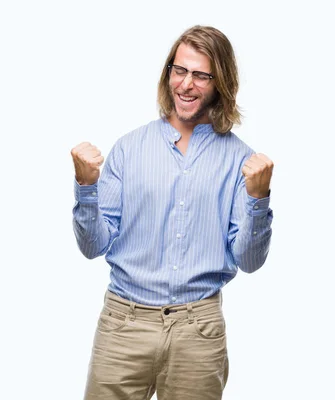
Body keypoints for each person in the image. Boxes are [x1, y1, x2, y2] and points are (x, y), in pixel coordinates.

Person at [71, 25, 274, 400]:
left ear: (221, 82)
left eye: (201, 75)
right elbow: (93, 246)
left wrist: (258, 200)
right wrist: (86, 189)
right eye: (179, 71)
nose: (186, 84)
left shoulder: (240, 160)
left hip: (199, 332)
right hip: (123, 325)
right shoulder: (129, 148)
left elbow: (248, 260)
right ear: (168, 74)